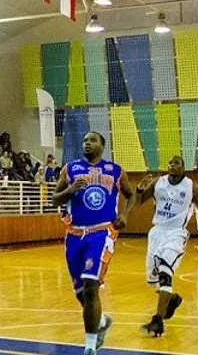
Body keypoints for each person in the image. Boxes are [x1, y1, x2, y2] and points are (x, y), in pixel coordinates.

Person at [51, 132, 136, 355]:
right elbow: (54, 199)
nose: (87, 143)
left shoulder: (115, 170)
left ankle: (90, 345)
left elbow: (131, 195)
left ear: (102, 145)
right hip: (74, 234)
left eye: (92, 140)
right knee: (81, 292)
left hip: (102, 232)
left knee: (91, 287)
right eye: (85, 140)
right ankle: (100, 323)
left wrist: (125, 215)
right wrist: (70, 190)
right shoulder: (70, 169)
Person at [121, 156, 198, 337]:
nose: (172, 166)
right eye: (170, 163)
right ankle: (173, 299)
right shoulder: (158, 182)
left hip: (176, 234)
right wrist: (139, 188)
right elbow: (138, 202)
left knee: (165, 274)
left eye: (176, 163)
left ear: (183, 167)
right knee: (153, 283)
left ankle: (157, 321)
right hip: (157, 233)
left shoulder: (191, 186)